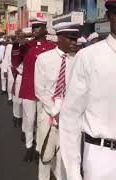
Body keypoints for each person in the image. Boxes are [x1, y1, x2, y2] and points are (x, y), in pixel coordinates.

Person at [59, 0, 116, 180]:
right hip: (99, 156)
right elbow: (70, 117)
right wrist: (72, 173)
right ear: (109, 14)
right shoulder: (88, 57)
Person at [34, 21, 80, 180]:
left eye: (76, 39)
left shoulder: (77, 60)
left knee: (65, 156)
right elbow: (40, 89)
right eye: (70, 38)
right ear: (59, 38)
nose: (74, 42)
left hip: (70, 115)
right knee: (46, 155)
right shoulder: (43, 59)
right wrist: (55, 112)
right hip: (48, 113)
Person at [19, 18, 56, 162]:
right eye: (33, 27)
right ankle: (29, 145)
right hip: (29, 89)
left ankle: (39, 146)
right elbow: (16, 62)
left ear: (45, 29)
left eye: (37, 27)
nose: (34, 30)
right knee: (29, 119)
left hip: (45, 91)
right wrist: (18, 44)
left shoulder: (52, 47)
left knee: (42, 121)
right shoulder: (26, 46)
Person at [3, 37, 14, 104]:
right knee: (10, 83)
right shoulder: (9, 47)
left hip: (20, 69)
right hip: (10, 68)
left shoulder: (23, 45)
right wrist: (5, 70)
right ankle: (10, 98)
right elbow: (6, 58)